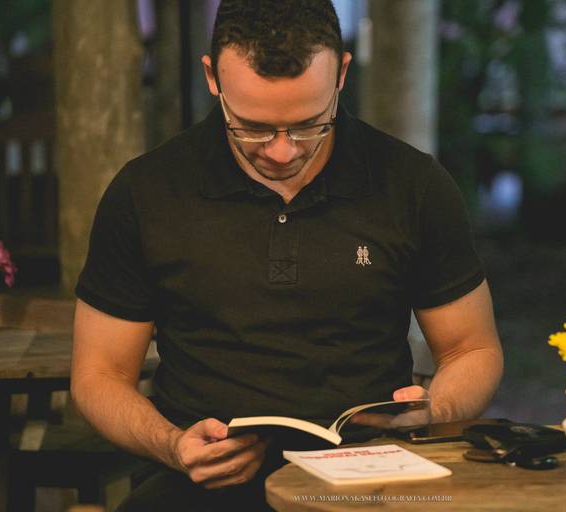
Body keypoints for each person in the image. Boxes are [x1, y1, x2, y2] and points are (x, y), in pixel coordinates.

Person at [71, 0, 504, 510]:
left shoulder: (413, 185)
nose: (282, 151)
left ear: (341, 73)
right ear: (213, 78)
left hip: (373, 482)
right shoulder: (146, 192)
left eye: (309, 124)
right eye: (251, 127)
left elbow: (471, 350)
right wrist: (171, 445)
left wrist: (439, 407)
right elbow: (99, 374)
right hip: (201, 486)